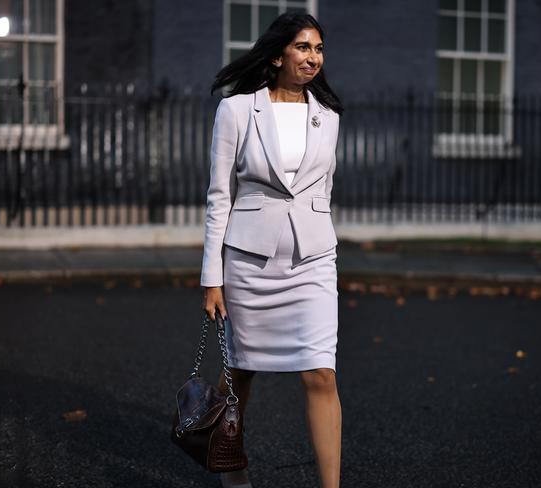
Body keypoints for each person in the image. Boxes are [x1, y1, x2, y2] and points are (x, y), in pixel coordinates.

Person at [200, 12, 344, 488]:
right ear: (280, 53)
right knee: (239, 375)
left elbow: (322, 192)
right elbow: (220, 196)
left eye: (319, 49)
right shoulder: (238, 110)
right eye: (304, 47)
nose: (313, 57)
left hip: (314, 261)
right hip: (249, 265)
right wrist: (211, 278)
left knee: (321, 374)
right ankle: (233, 477)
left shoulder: (329, 119)